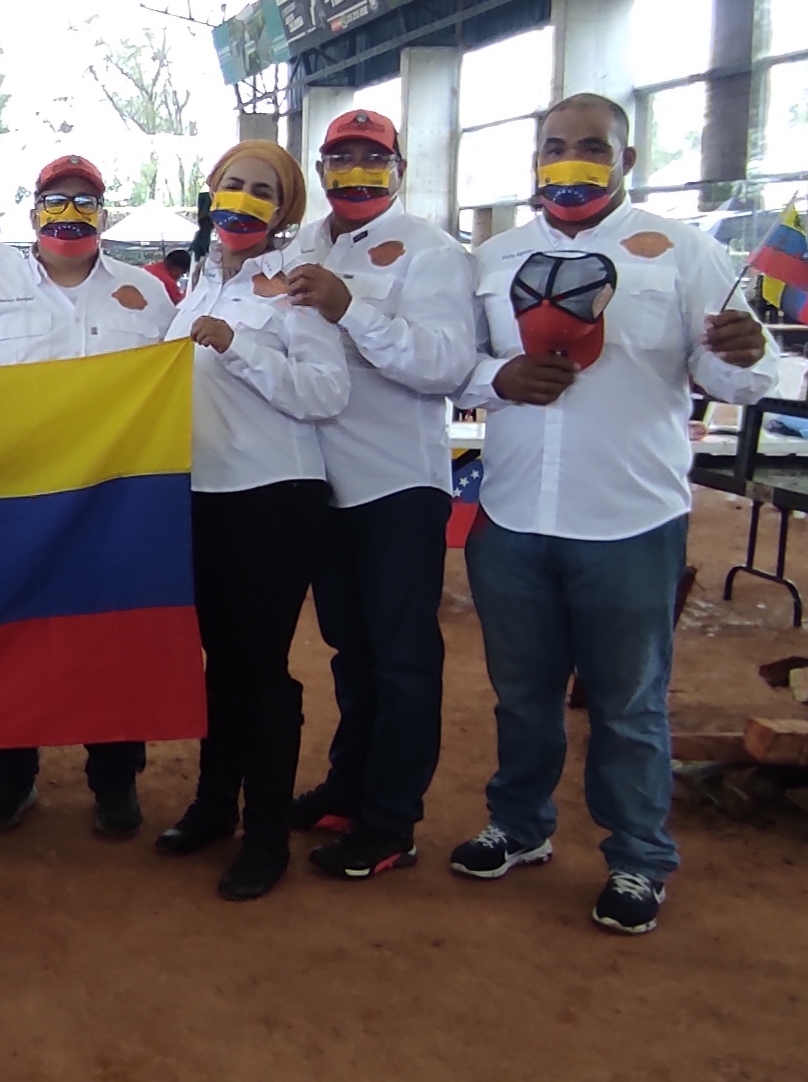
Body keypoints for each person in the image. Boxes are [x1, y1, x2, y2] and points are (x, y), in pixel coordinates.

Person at [448, 93, 772, 935]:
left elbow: (735, 372)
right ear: (533, 159)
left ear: (627, 159)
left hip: (628, 520)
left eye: (592, 146)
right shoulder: (493, 258)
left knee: (629, 704)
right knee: (521, 696)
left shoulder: (679, 251)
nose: (571, 160)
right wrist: (497, 382)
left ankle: (636, 858)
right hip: (513, 516)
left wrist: (749, 351)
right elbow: (457, 366)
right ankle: (519, 827)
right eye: (554, 145)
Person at [0, 155, 175, 836]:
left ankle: (113, 781)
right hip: (15, 498)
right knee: (13, 635)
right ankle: (12, 775)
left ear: (104, 211)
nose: (69, 212)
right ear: (32, 208)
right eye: (55, 199)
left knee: (113, 641)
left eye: (83, 200)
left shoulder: (146, 292)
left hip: (115, 503)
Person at [280, 109, 475, 879]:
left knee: (401, 657)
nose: (354, 169)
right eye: (339, 157)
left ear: (398, 169)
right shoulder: (303, 243)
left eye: (372, 157)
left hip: (396, 482)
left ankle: (392, 820)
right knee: (348, 649)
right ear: (321, 167)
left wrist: (348, 308)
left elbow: (444, 366)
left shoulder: (432, 253)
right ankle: (348, 785)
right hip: (319, 482)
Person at [155, 140, 349, 901]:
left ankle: (264, 833)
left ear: (283, 211)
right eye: (230, 185)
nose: (241, 199)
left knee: (258, 669)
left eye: (261, 191)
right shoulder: (193, 287)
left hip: (271, 495)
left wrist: (238, 349)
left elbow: (325, 393)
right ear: (210, 194)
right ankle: (212, 806)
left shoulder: (290, 291)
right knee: (218, 662)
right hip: (196, 496)